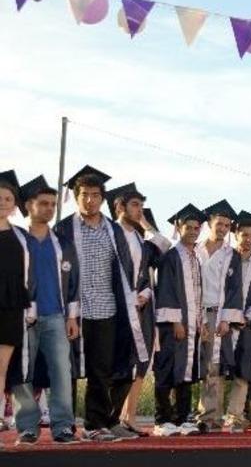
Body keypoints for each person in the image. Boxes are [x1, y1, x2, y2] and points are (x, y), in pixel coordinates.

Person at [54, 166, 147, 442]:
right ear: (76, 197)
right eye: (84, 195)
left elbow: (125, 269)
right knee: (67, 369)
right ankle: (64, 425)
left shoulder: (114, 230)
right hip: (74, 310)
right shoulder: (64, 229)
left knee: (101, 370)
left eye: (95, 195)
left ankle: (95, 424)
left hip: (107, 308)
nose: (90, 200)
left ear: (102, 199)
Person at [9, 175, 79, 445]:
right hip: (22, 317)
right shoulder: (16, 239)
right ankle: (27, 427)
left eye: (53, 204)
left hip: (56, 317)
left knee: (61, 371)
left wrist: (72, 316)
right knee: (22, 373)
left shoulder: (62, 243)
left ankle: (63, 426)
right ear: (29, 205)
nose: (49, 208)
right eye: (43, 203)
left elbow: (73, 282)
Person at [103, 183, 171, 437]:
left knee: (139, 362)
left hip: (141, 309)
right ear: (119, 207)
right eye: (134, 205)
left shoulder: (140, 240)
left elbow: (164, 244)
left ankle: (127, 417)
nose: (139, 210)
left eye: (141, 206)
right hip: (115, 310)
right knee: (116, 364)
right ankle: (106, 419)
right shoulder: (109, 233)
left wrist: (144, 223)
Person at [152, 204, 208, 437]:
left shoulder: (195, 257)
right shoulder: (171, 257)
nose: (193, 231)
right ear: (179, 227)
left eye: (196, 228)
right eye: (189, 227)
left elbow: (199, 293)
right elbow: (165, 289)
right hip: (173, 324)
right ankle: (162, 419)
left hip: (192, 324)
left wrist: (201, 321)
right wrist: (176, 321)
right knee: (166, 368)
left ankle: (182, 418)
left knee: (187, 370)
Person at [195, 200, 243, 434]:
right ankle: (184, 414)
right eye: (219, 224)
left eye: (227, 225)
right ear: (209, 223)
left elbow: (235, 289)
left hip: (216, 312)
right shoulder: (195, 249)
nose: (223, 228)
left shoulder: (231, 254)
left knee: (213, 366)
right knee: (192, 365)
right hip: (194, 312)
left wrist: (226, 318)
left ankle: (210, 416)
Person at [224, 210, 251, 434]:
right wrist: (231, 316)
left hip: (249, 324)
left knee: (244, 370)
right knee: (217, 369)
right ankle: (210, 416)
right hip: (224, 323)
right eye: (245, 235)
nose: (249, 239)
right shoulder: (225, 258)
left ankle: (234, 416)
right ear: (236, 235)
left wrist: (247, 317)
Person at [0, 170, 35, 442]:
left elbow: (29, 275)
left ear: (14, 205)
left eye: (8, 199)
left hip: (11, 307)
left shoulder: (22, 236)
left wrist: (31, 307)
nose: (2, 203)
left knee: (2, 368)